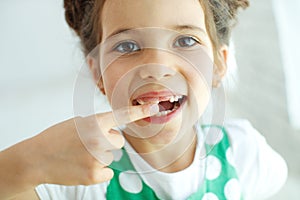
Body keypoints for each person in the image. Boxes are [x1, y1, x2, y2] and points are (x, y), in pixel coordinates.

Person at [0, 0, 288, 199]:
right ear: (98, 74)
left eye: (185, 41)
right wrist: (31, 159)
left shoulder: (246, 155)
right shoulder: (76, 181)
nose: (157, 67)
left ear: (218, 64)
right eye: (127, 46)